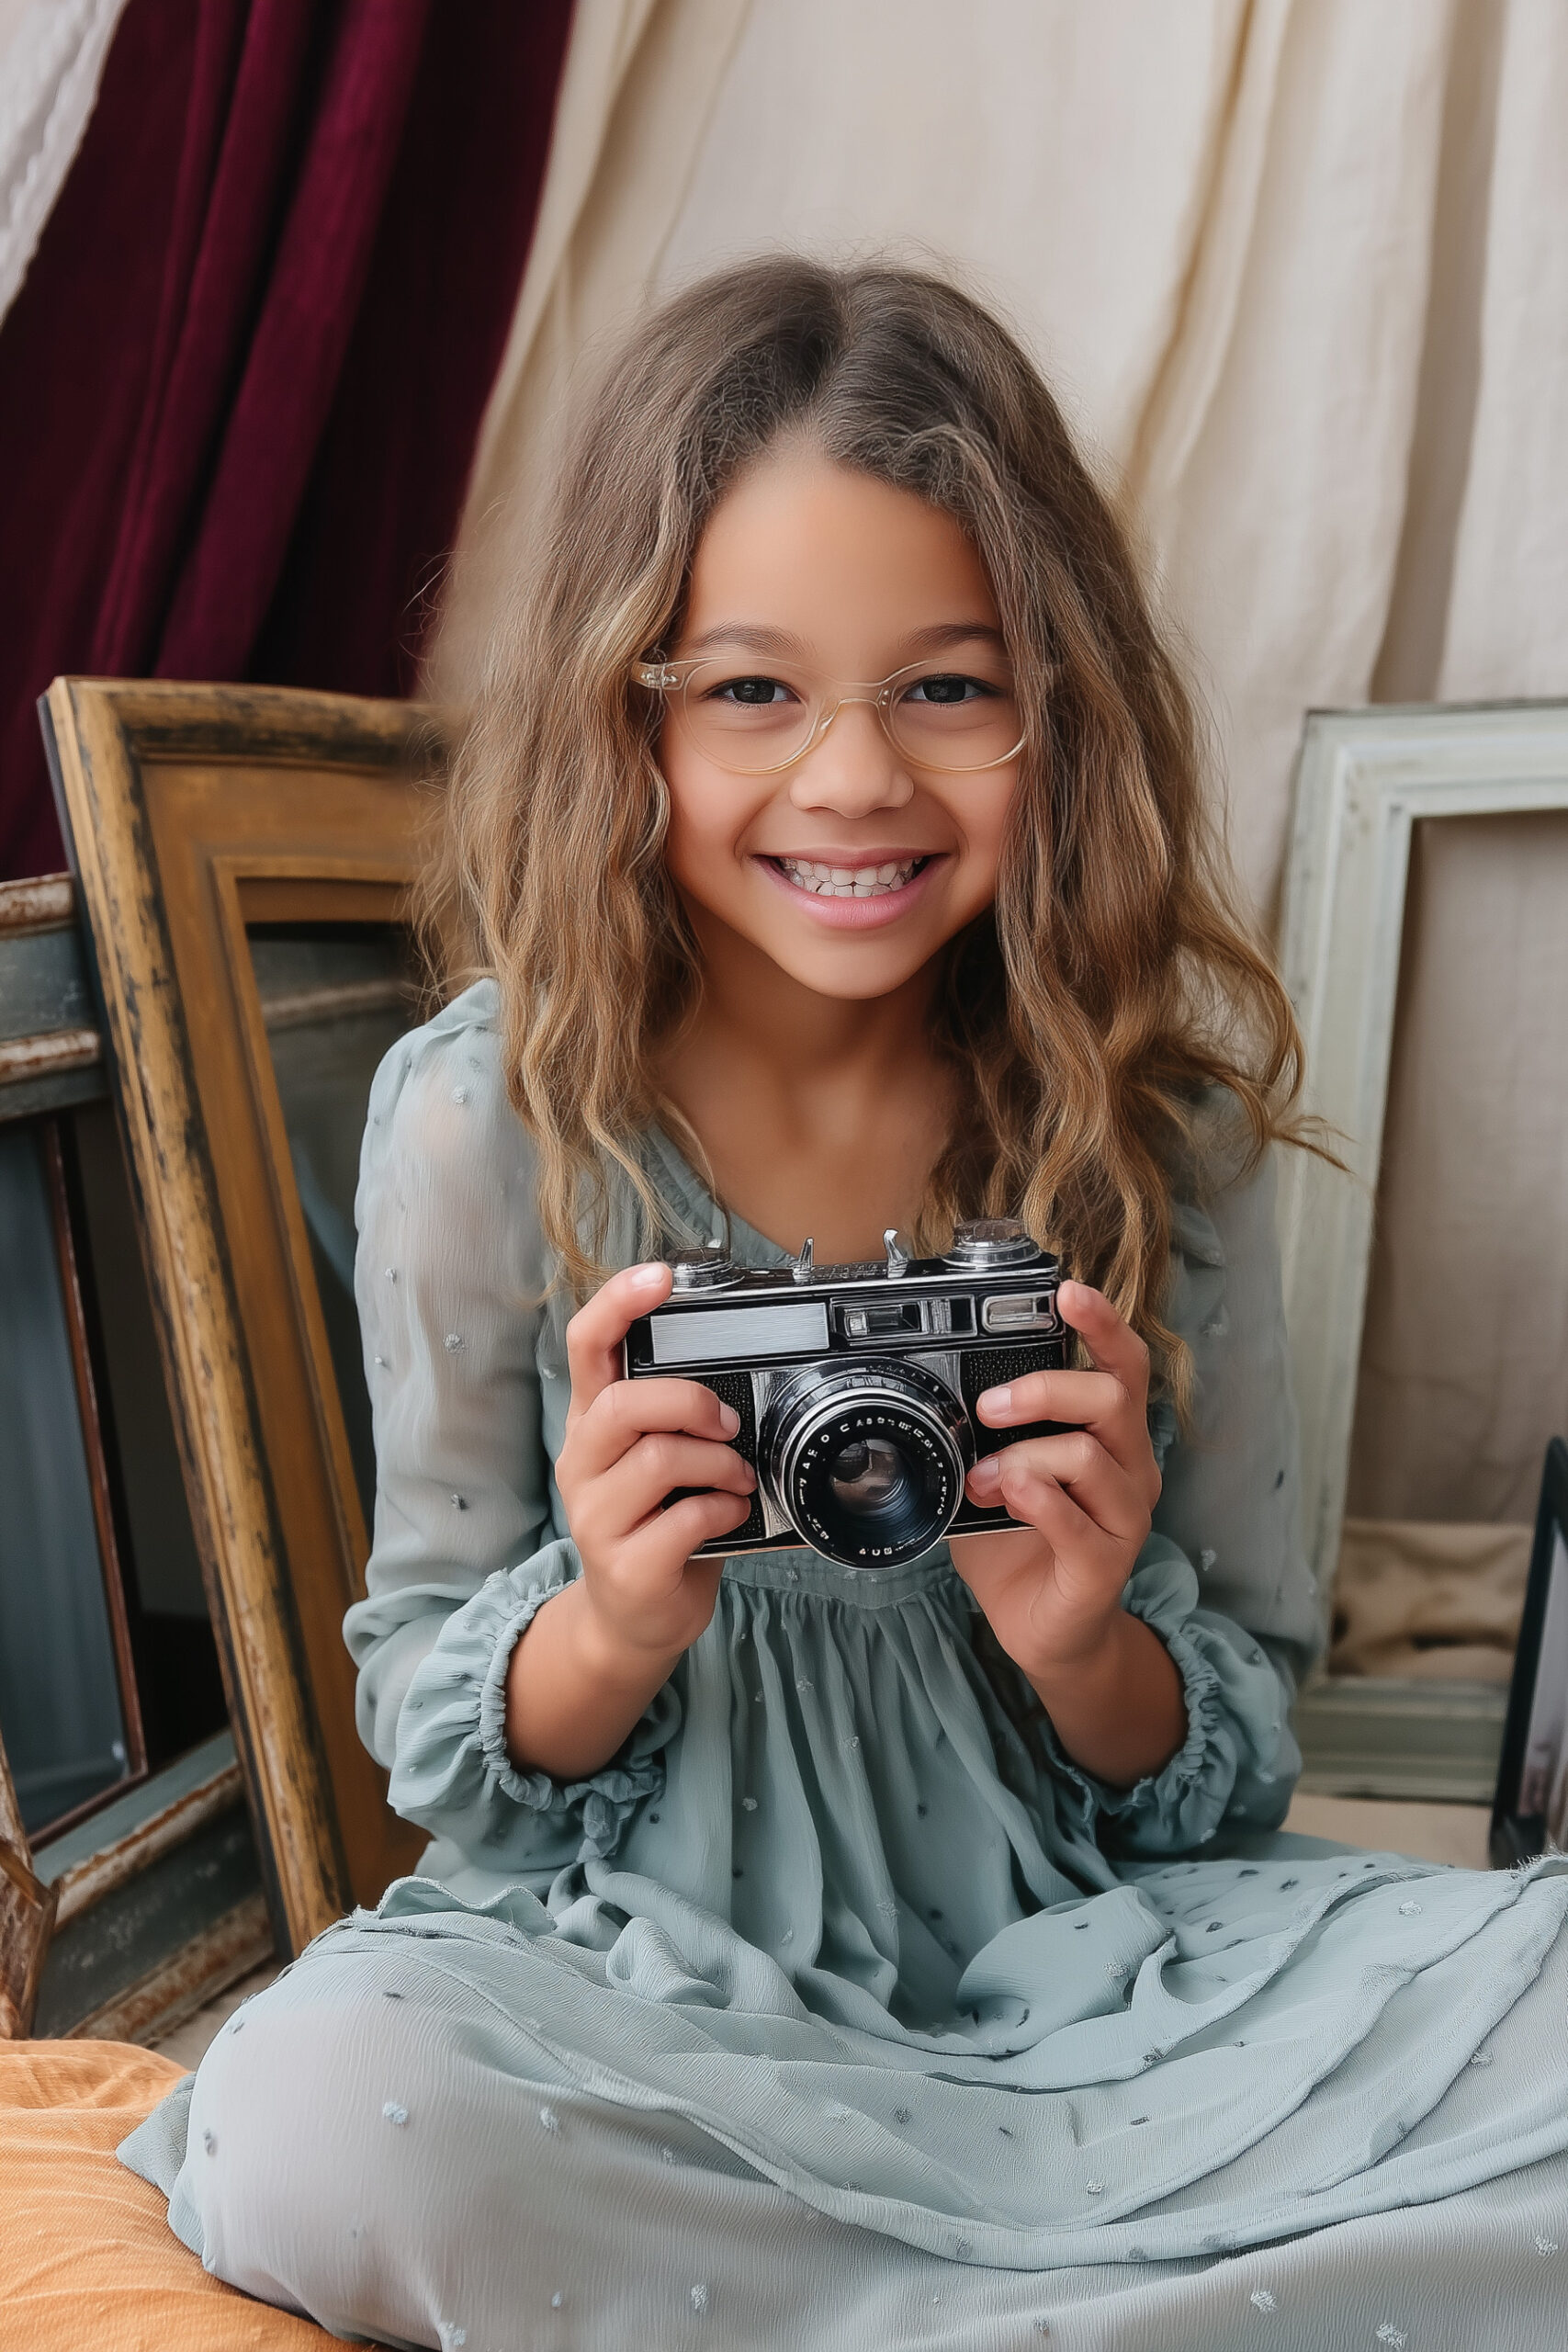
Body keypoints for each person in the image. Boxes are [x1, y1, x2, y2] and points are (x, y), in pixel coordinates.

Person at [123, 258, 1568, 2350]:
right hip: (648, 1978)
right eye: (749, 690)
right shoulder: (487, 1118)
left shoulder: (1151, 1131)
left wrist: (1082, 1634)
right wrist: (606, 1612)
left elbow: (1233, 1745)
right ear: (628, 713)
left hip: (1104, 1960)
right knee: (331, 2110)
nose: (852, 780)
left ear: (1051, 707)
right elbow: (442, 1720)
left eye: (946, 687)